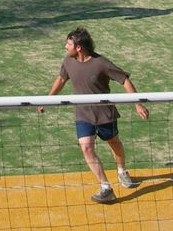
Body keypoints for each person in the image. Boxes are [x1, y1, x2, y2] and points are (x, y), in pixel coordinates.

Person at [39, 27, 149, 204]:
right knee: (86, 148)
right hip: (83, 114)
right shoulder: (68, 62)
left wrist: (138, 104)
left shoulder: (101, 63)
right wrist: (47, 99)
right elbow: (61, 80)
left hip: (104, 114)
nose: (65, 46)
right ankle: (105, 187)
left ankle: (122, 170)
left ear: (79, 47)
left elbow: (124, 80)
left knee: (114, 143)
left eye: (68, 44)